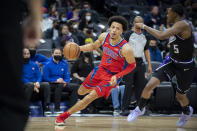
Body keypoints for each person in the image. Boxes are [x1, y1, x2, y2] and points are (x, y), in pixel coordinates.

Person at [55, 16, 136, 126]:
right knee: (81, 92)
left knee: (88, 98)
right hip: (100, 70)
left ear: (122, 31)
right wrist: (79, 48)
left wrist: (117, 76)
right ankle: (99, 90)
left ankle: (61, 117)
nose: (114, 30)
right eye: (112, 27)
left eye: (117, 28)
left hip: (111, 77)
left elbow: (132, 65)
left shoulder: (126, 48)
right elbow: (93, 46)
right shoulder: (103, 36)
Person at [127, 4, 195, 127]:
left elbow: (161, 36)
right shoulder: (175, 25)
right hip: (172, 61)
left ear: (175, 13)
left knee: (180, 96)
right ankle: (140, 108)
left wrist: (144, 26)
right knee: (150, 85)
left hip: (185, 66)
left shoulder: (183, 24)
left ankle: (187, 111)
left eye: (169, 12)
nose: (167, 15)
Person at [0, 0, 42, 130]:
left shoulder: (34, 63)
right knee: (9, 104)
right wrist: (35, 17)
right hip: (5, 16)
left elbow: (39, 75)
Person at [121, 16, 152, 115]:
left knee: (141, 87)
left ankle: (140, 109)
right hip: (129, 62)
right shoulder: (128, 34)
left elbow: (146, 51)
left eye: (141, 22)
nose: (140, 24)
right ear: (134, 23)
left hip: (140, 63)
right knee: (128, 86)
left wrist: (149, 65)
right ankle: (124, 109)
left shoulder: (145, 36)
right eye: (138, 22)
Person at [43, 48, 79, 114]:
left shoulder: (64, 63)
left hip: (62, 83)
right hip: (51, 84)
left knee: (75, 86)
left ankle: (72, 109)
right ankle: (57, 108)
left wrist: (65, 81)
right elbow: (46, 78)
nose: (58, 55)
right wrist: (56, 80)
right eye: (56, 53)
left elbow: (67, 76)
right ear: (52, 54)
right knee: (59, 85)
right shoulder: (47, 64)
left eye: (59, 53)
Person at [22, 48, 51, 115]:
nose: (26, 55)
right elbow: (21, 78)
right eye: (25, 54)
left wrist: (37, 82)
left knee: (46, 84)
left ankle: (46, 107)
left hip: (35, 83)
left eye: (28, 54)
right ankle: (25, 108)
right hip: (24, 84)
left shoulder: (34, 64)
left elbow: (39, 76)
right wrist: (34, 85)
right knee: (30, 85)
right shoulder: (19, 65)